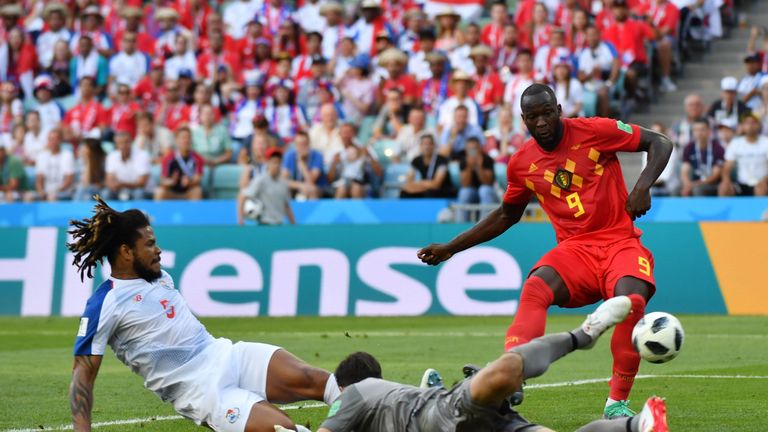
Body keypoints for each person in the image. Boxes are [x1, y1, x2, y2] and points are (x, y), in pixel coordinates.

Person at [417, 84, 674, 418]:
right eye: (533, 117)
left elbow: (660, 142)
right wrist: (451, 248)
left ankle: (616, 404)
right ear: (523, 119)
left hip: (619, 242)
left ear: (559, 109)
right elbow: (507, 215)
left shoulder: (595, 131)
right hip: (575, 252)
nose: (541, 123)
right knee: (536, 286)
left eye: (547, 113)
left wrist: (642, 186)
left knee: (631, 301)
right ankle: (511, 377)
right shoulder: (522, 163)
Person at [68, 198, 337, 432]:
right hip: (202, 390)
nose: (158, 250)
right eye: (150, 245)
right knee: (283, 428)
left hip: (226, 355)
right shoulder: (105, 303)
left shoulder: (160, 277)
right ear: (126, 252)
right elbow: (82, 375)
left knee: (320, 380)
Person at [318, 297, 669, 432]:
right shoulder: (383, 402)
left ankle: (583, 334)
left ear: (348, 385)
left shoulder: (356, 395)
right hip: (471, 421)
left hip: (441, 414)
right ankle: (639, 424)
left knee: (504, 371)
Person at [719, 114, 768, 196]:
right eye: (747, 123)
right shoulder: (736, 143)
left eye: (753, 123)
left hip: (762, 183)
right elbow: (727, 166)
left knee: (761, 189)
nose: (750, 126)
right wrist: (726, 181)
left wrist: (764, 181)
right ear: (742, 126)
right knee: (724, 189)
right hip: (741, 183)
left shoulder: (766, 142)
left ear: (759, 125)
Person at [156, 127, 205, 201]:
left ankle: (194, 212)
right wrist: (171, 182)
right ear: (176, 140)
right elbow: (163, 180)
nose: (186, 140)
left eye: (188, 137)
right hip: (172, 192)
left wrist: (190, 182)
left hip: (188, 192)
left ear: (191, 140)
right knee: (160, 192)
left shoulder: (198, 158)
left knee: (197, 191)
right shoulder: (168, 158)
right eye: (183, 138)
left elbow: (198, 178)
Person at [27, 128, 75, 202]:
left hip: (62, 192)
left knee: (52, 198)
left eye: (55, 139)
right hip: (46, 192)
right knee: (28, 197)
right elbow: (39, 180)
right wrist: (41, 192)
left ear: (60, 141)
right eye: (50, 139)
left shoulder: (67, 155)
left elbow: (68, 180)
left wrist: (56, 191)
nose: (52, 142)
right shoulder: (42, 156)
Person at [680, 118, 725, 197]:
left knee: (698, 189)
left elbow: (715, 175)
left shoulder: (718, 148)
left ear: (709, 131)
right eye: (696, 130)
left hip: (713, 184)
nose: (699, 133)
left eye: (702, 130)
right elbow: (684, 171)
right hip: (694, 182)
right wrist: (687, 184)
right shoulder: (689, 147)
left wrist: (694, 184)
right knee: (678, 189)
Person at [401, 134, 455, 198]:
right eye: (424, 144)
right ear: (420, 146)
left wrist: (418, 185)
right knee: (404, 192)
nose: (427, 146)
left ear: (434, 146)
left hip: (442, 189)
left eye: (430, 144)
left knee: (429, 193)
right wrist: (419, 186)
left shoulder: (441, 160)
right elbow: (409, 181)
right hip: (426, 188)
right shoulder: (416, 160)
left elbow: (437, 184)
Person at [457, 138, 497, 222]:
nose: (472, 151)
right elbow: (464, 184)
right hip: (472, 193)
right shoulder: (463, 161)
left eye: (474, 148)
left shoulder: (487, 159)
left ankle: (483, 224)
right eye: (470, 149)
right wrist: (469, 166)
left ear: (480, 148)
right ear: (466, 150)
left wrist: (479, 167)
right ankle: (461, 224)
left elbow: (487, 182)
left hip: (487, 194)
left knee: (484, 190)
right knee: (464, 192)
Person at [102, 132, 151, 201]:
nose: (123, 146)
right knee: (106, 193)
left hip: (139, 189)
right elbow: (109, 179)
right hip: (120, 189)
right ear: (116, 145)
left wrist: (122, 184)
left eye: (126, 142)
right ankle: (109, 212)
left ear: (131, 142)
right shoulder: (112, 156)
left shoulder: (142, 155)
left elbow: (142, 183)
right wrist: (113, 185)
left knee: (139, 193)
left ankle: (140, 212)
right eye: (120, 143)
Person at [282, 131, 325, 200]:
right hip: (297, 186)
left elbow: (311, 181)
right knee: (280, 190)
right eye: (298, 144)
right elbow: (283, 180)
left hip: (317, 188)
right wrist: (300, 185)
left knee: (311, 190)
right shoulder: (289, 155)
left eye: (304, 144)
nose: (301, 147)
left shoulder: (317, 155)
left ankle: (312, 210)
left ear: (308, 144)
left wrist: (301, 162)